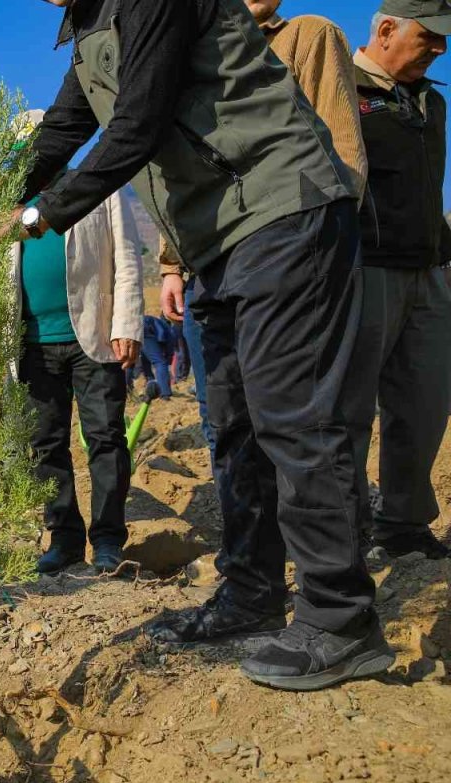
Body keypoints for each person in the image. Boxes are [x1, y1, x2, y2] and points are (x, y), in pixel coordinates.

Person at [16, 0, 388, 691]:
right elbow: (62, 130)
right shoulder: (89, 29)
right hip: (213, 235)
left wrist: (40, 213)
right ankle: (252, 593)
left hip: (279, 203)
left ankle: (340, 618)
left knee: (293, 417)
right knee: (234, 426)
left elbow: (138, 124)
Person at [159, 0, 369, 465]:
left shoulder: (305, 37)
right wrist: (171, 265)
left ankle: (320, 536)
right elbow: (174, 169)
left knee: (298, 419)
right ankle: (250, 539)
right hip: (206, 258)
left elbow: (343, 150)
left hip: (289, 243)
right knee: (226, 420)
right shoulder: (179, 50)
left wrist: (334, 235)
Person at [346, 1, 451, 560]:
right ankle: (347, 529)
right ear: (386, 29)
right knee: (352, 409)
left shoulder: (432, 101)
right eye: (430, 38)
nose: (440, 49)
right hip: (366, 269)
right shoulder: (339, 85)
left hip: (428, 273)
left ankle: (404, 524)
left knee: (426, 402)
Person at [17, 178, 144, 575]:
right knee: (45, 444)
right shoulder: (9, 204)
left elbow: (126, 257)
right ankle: (65, 539)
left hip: (95, 334)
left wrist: (127, 323)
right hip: (32, 343)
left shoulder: (97, 186)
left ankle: (107, 539)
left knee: (106, 437)